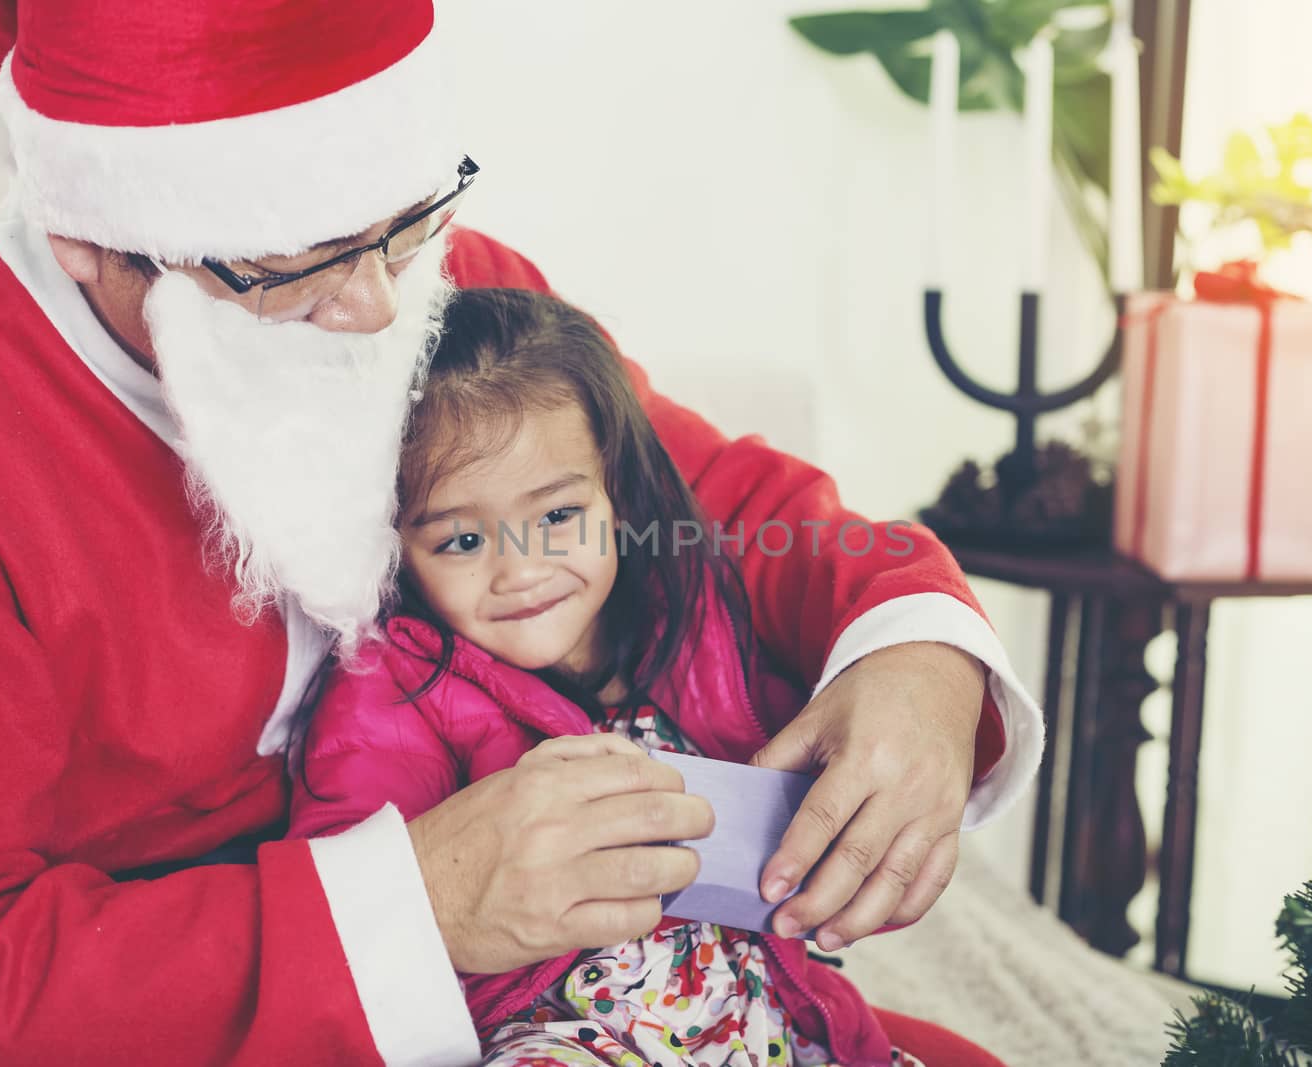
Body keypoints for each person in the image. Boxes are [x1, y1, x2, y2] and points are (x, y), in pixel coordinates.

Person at [0, 2, 1040, 1064]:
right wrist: (423, 900)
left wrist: (912, 651)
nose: (383, 309)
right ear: (88, 232)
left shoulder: (428, 285)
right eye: (297, 271)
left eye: (409, 222)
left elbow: (707, 501)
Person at [290, 287, 962, 1065]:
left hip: (756, 1011)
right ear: (395, 545)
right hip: (563, 1032)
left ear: (614, 490)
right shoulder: (393, 689)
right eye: (463, 539)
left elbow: (819, 826)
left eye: (556, 517)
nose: (522, 571)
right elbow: (363, 909)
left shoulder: (696, 617)